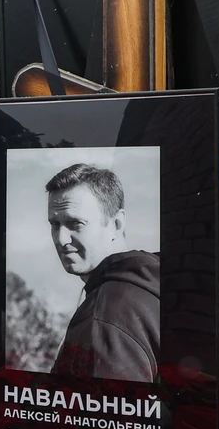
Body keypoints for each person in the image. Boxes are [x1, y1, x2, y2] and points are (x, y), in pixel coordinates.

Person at [44, 163, 160, 383]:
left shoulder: (106, 312)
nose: (61, 239)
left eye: (75, 223)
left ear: (116, 224)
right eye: (54, 224)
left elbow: (109, 415)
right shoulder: (147, 285)